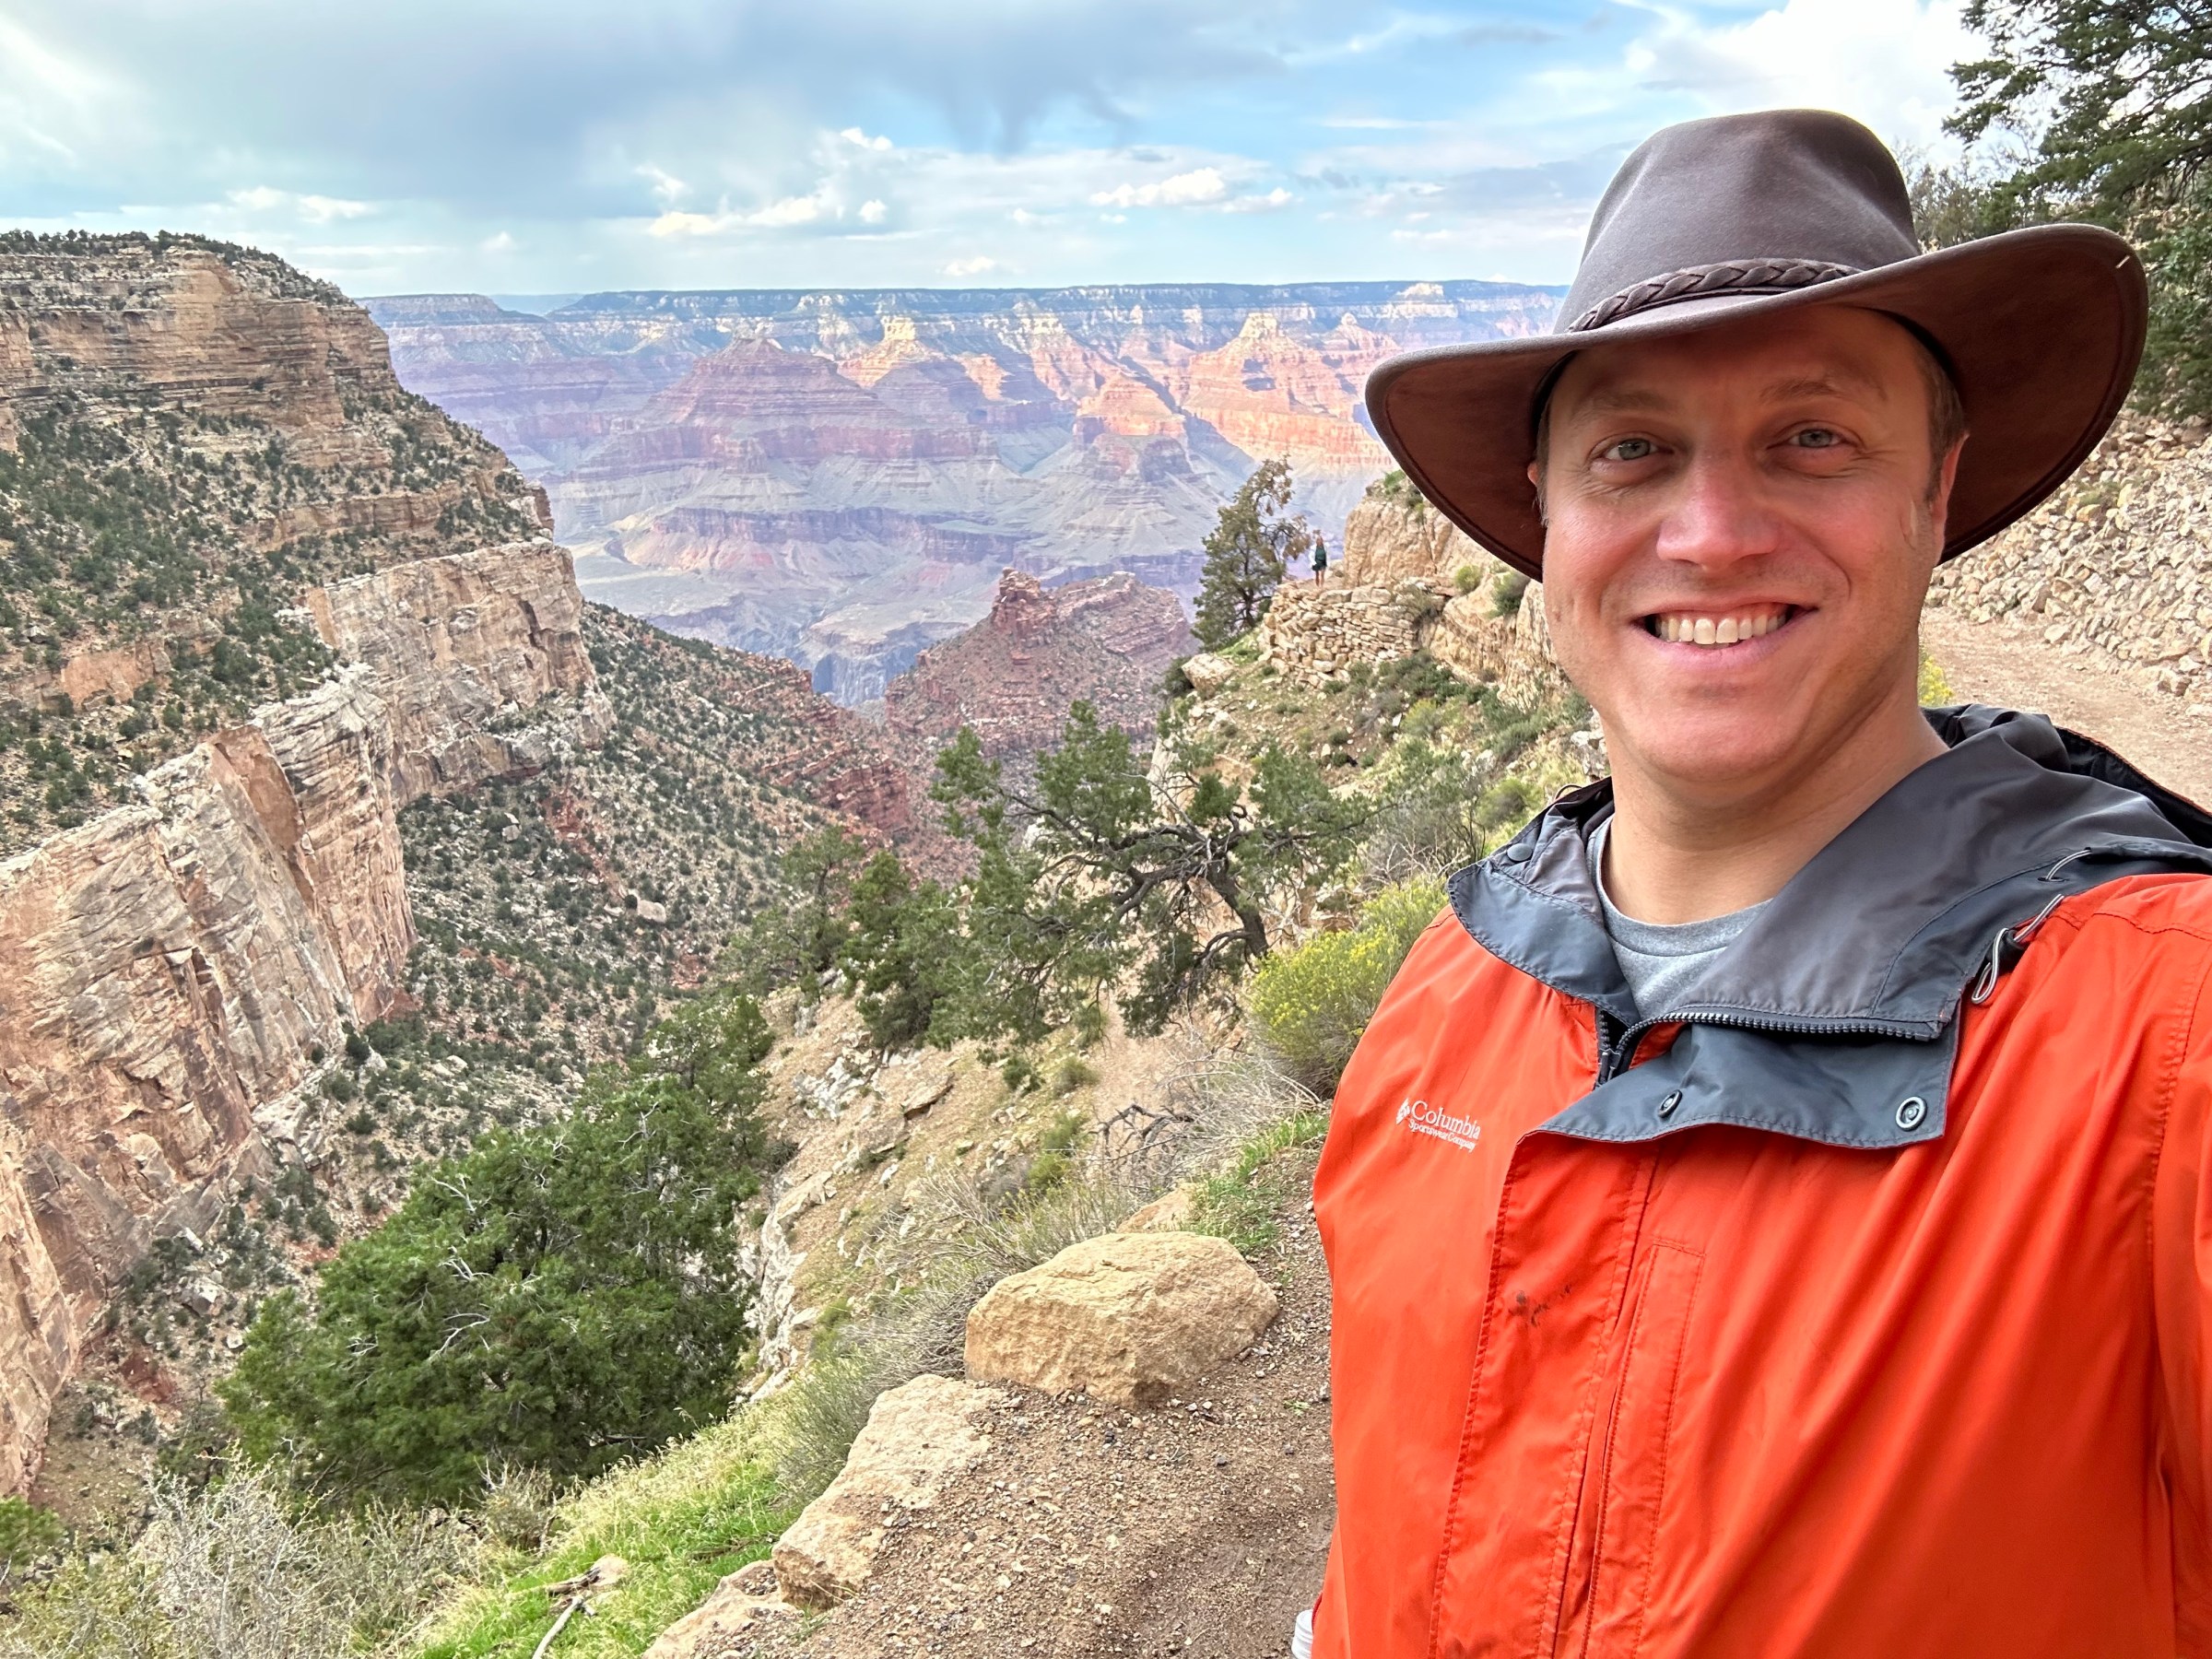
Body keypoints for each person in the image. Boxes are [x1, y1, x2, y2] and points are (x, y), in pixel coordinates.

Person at [1302, 110, 2212, 1656]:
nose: (1712, 533)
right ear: (1550, 519)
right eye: (1635, 451)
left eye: (1813, 437)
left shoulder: (2165, 1036)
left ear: (1936, 494)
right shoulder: (1457, 988)